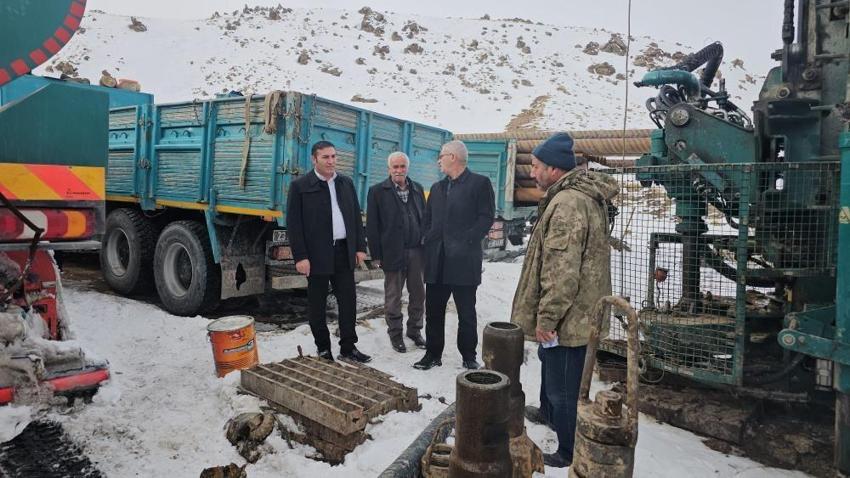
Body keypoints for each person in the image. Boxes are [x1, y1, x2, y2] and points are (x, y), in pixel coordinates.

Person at [510, 132, 619, 468]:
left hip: (571, 318)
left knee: (565, 386)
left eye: (537, 166)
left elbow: (562, 273)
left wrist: (547, 319)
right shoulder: (573, 196)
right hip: (577, 310)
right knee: (550, 363)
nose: (532, 173)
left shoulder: (568, 204)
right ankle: (548, 412)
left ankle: (568, 449)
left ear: (554, 169)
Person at [286, 140, 372, 363]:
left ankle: (348, 347)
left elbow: (355, 216)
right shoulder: (300, 186)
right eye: (326, 157)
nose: (331, 161)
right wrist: (301, 257)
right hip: (316, 255)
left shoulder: (345, 183)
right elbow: (294, 225)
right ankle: (323, 348)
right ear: (314, 159)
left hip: (343, 251)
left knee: (348, 301)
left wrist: (360, 247)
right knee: (317, 305)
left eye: (333, 156)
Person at [414, 140, 495, 371]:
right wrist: (427, 238)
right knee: (434, 312)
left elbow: (486, 218)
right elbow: (428, 219)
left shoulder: (479, 183)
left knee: (466, 313)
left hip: (464, 261)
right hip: (437, 261)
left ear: (453, 157)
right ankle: (432, 354)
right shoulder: (437, 188)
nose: (438, 161)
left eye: (441, 156)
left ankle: (468, 356)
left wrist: (466, 240)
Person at [366, 152, 427, 353]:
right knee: (393, 296)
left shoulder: (417, 188)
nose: (399, 170)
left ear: (407, 168)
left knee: (418, 294)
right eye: (395, 167)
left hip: (416, 251)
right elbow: (373, 226)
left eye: (402, 166)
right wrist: (376, 255)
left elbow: (424, 218)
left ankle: (414, 331)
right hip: (392, 252)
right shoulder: (377, 191)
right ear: (389, 169)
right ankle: (395, 334)